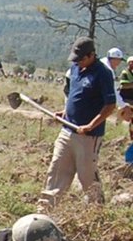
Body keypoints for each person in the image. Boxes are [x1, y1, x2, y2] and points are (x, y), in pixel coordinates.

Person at [39, 37, 116, 207]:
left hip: (88, 137)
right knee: (56, 169)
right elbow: (74, 96)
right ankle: (45, 211)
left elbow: (110, 105)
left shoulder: (103, 73)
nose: (77, 62)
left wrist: (90, 125)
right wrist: (65, 112)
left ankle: (96, 211)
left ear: (92, 55)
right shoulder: (75, 69)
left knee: (87, 176)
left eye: (81, 59)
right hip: (67, 131)